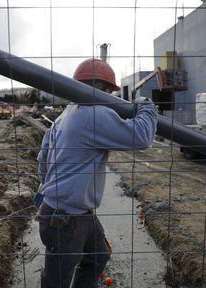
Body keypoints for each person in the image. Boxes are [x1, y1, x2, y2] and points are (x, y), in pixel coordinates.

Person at [35, 58, 158, 288]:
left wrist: (52, 190)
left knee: (98, 255)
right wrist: (147, 107)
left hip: (61, 212)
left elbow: (42, 159)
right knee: (55, 283)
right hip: (67, 219)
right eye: (109, 92)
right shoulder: (94, 113)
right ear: (101, 90)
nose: (111, 99)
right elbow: (141, 137)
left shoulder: (65, 115)